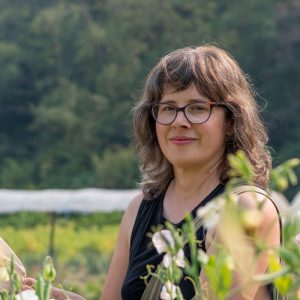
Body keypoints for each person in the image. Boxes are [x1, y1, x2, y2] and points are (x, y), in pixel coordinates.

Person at [100, 45, 281, 300]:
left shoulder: (244, 208)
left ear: (231, 122)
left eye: (197, 108)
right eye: (168, 108)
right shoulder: (139, 208)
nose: (179, 121)